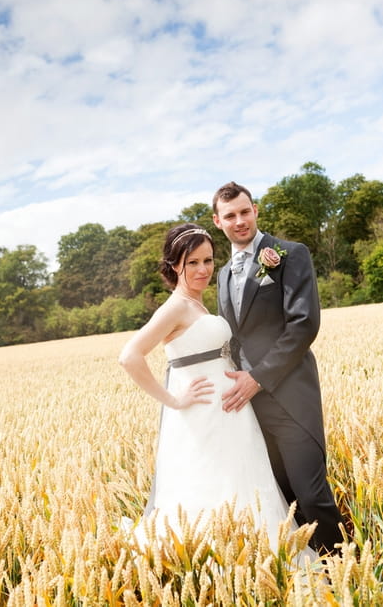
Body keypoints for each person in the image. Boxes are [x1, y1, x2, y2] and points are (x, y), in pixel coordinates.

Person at [118, 222, 317, 560]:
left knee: (243, 485)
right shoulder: (176, 307)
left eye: (208, 260)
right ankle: (219, 562)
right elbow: (129, 356)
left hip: (232, 414)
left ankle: (260, 557)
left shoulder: (197, 304)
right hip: (204, 415)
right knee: (211, 487)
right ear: (173, 265)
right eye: (192, 262)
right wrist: (174, 400)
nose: (203, 270)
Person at [212, 181, 344, 555]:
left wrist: (258, 377)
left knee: (312, 493)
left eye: (245, 211)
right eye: (230, 216)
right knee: (280, 496)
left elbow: (303, 325)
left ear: (255, 210)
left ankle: (343, 574)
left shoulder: (288, 253)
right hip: (249, 406)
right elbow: (233, 337)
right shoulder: (222, 274)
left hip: (290, 396)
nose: (240, 221)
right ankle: (308, 572)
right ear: (218, 221)